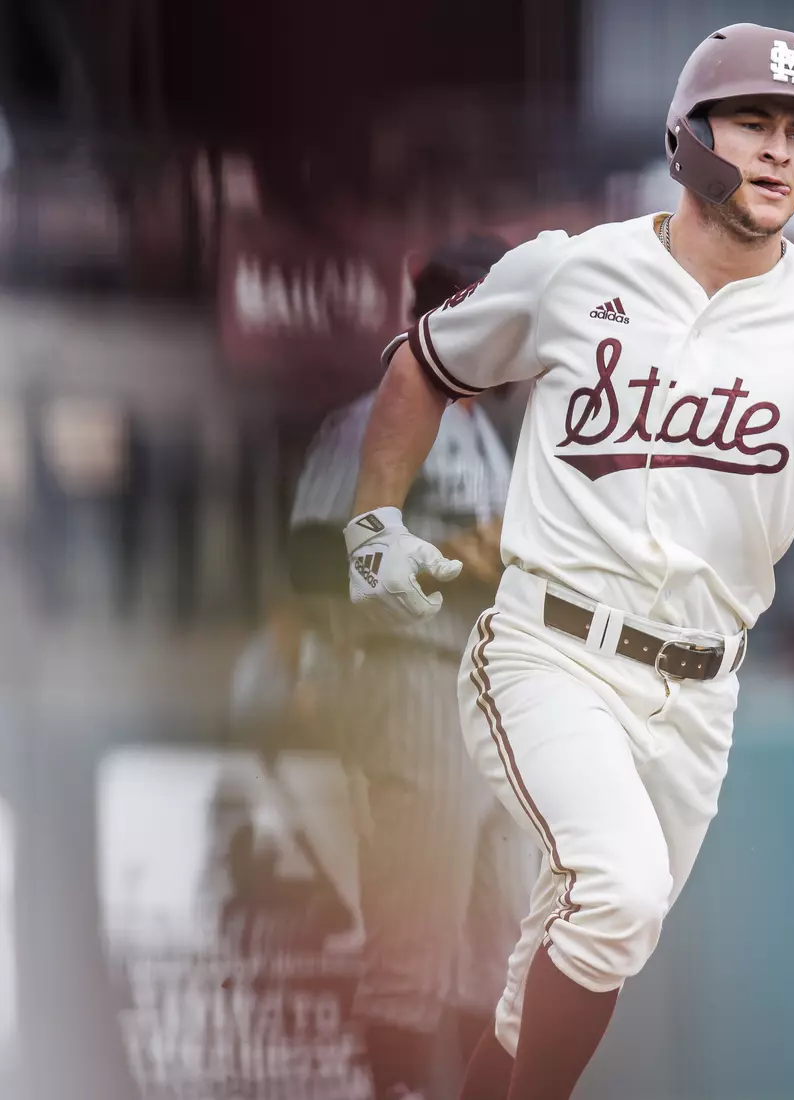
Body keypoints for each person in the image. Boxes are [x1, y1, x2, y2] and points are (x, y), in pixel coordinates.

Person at [340, 23, 794, 1100]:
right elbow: (424, 362)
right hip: (548, 647)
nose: (780, 150)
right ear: (689, 135)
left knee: (566, 959)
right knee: (614, 890)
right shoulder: (575, 270)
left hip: (699, 692)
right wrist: (374, 519)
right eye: (753, 120)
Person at [291, 234, 534, 1100]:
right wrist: (458, 553)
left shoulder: (482, 429)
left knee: (495, 965)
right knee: (412, 952)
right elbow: (316, 559)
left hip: (484, 697)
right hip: (411, 678)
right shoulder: (374, 415)